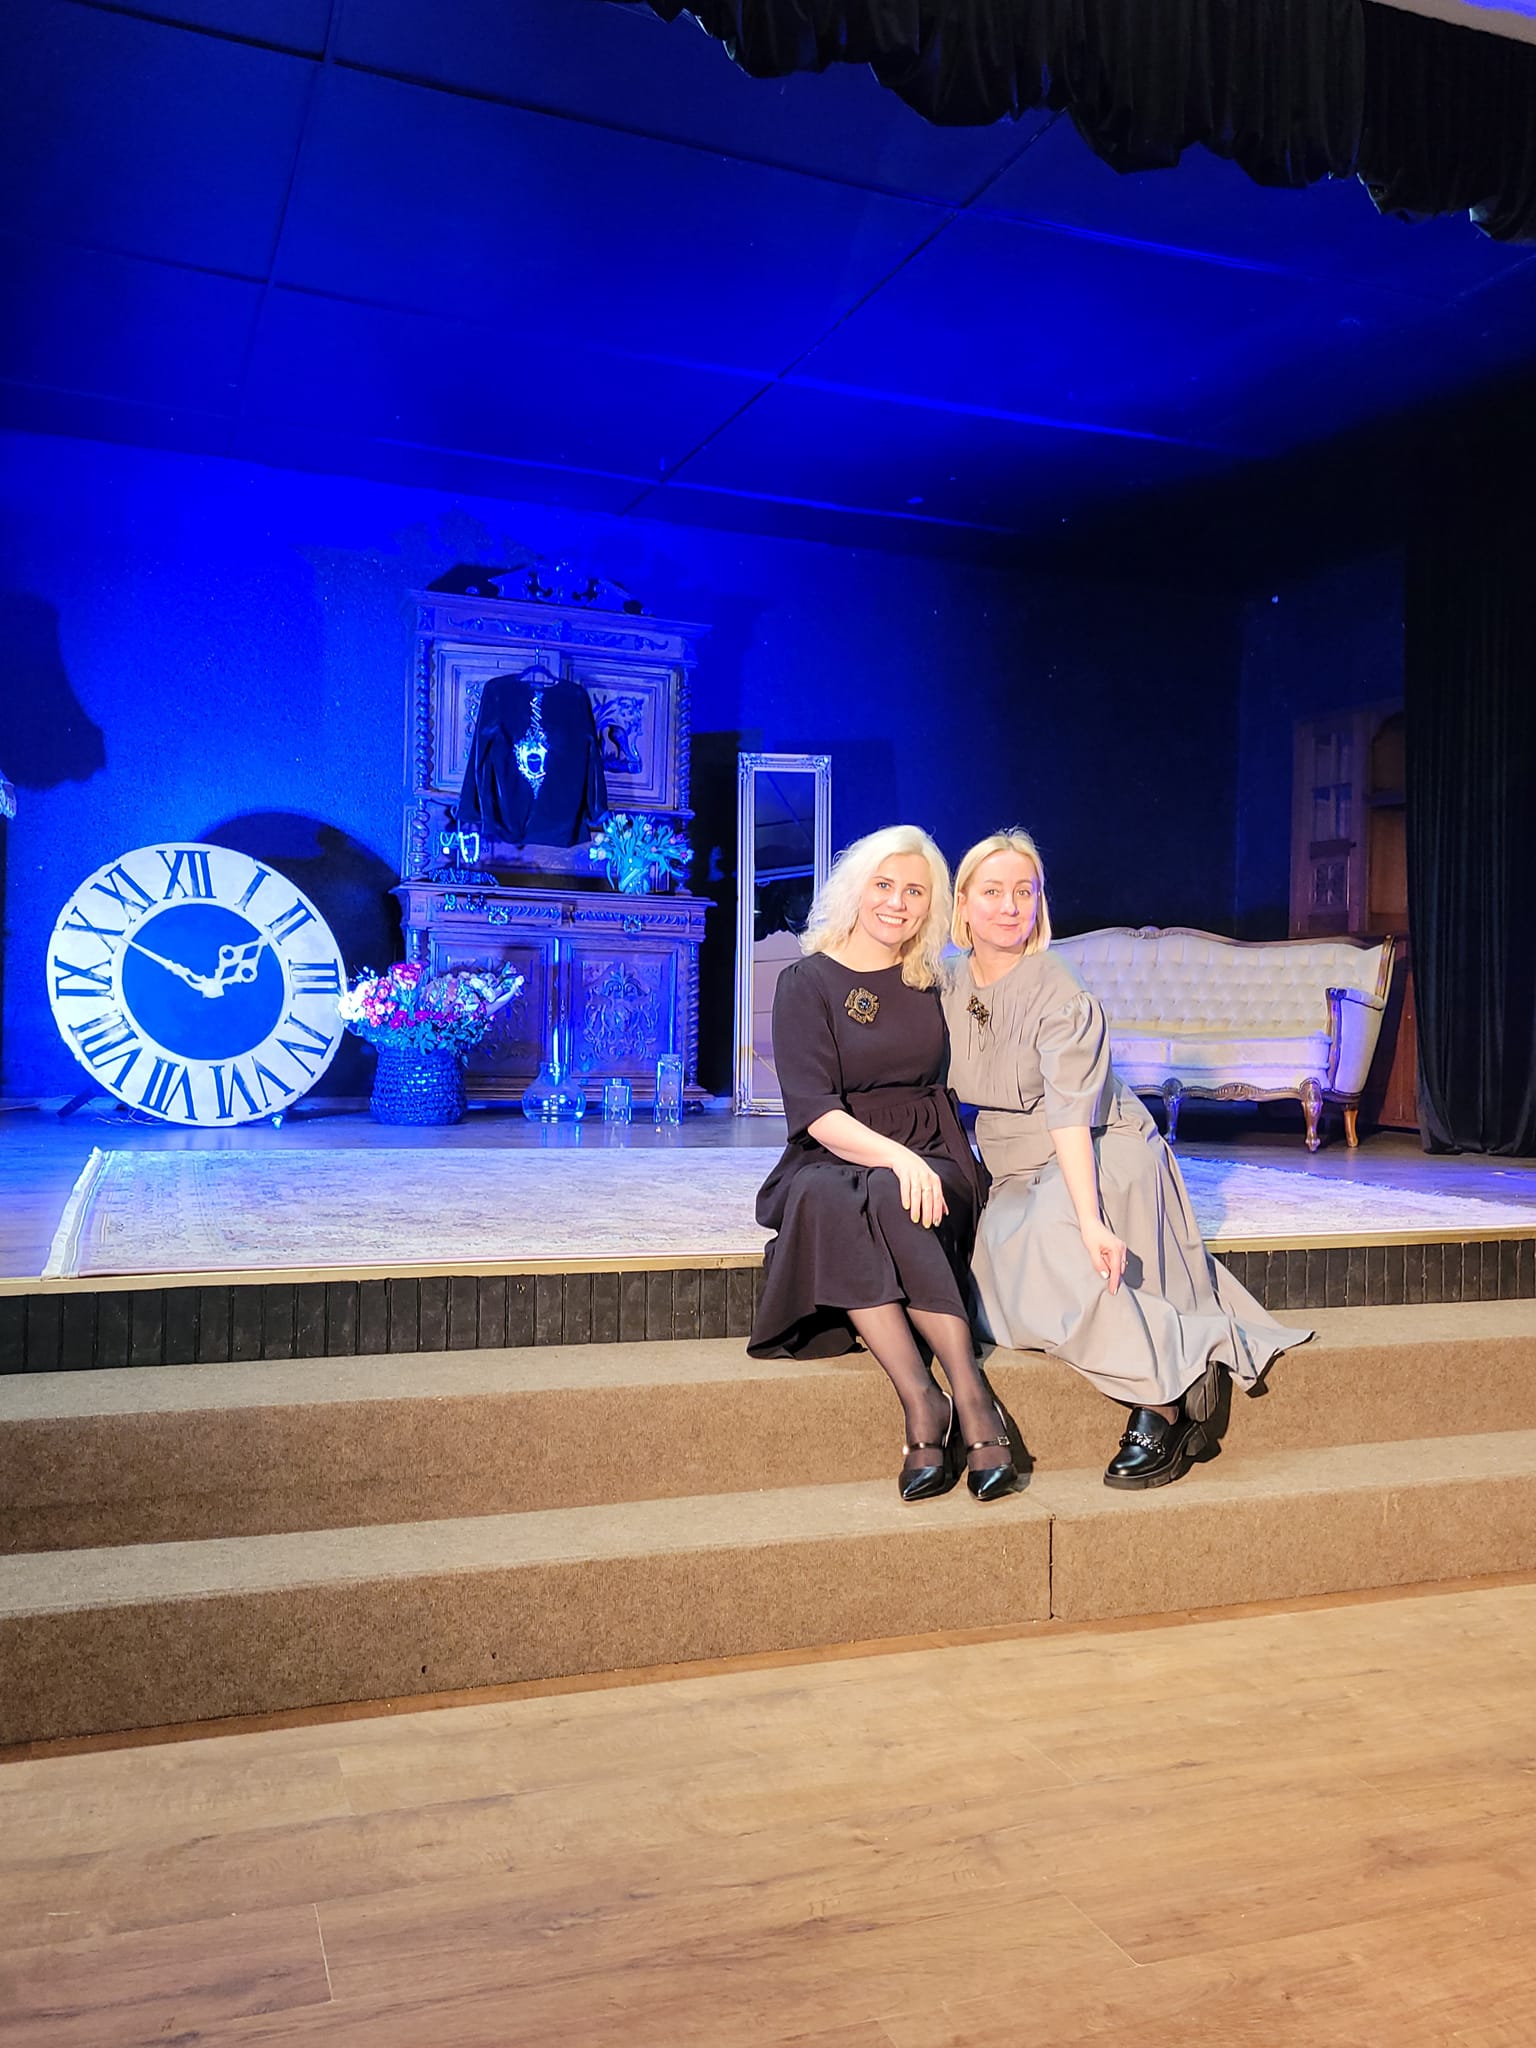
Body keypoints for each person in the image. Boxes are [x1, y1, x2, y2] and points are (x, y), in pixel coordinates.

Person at [943, 830, 1312, 1489]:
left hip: (1096, 1146)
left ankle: (1162, 1394)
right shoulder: (944, 981)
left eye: (1024, 891)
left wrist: (1088, 1219)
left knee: (1061, 1247)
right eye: (992, 891)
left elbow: (1069, 1116)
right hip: (1014, 1164)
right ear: (963, 902)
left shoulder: (1059, 988)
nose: (1009, 906)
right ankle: (1190, 1356)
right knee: (993, 1298)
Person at [749, 825, 1018, 1503]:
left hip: (934, 1150)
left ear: (933, 906)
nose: (898, 903)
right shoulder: (806, 982)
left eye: (916, 892)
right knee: (835, 1196)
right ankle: (926, 1398)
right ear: (855, 889)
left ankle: (967, 1395)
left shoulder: (936, 980)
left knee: (894, 1197)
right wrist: (897, 1159)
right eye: (884, 885)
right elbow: (816, 1112)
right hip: (839, 1148)